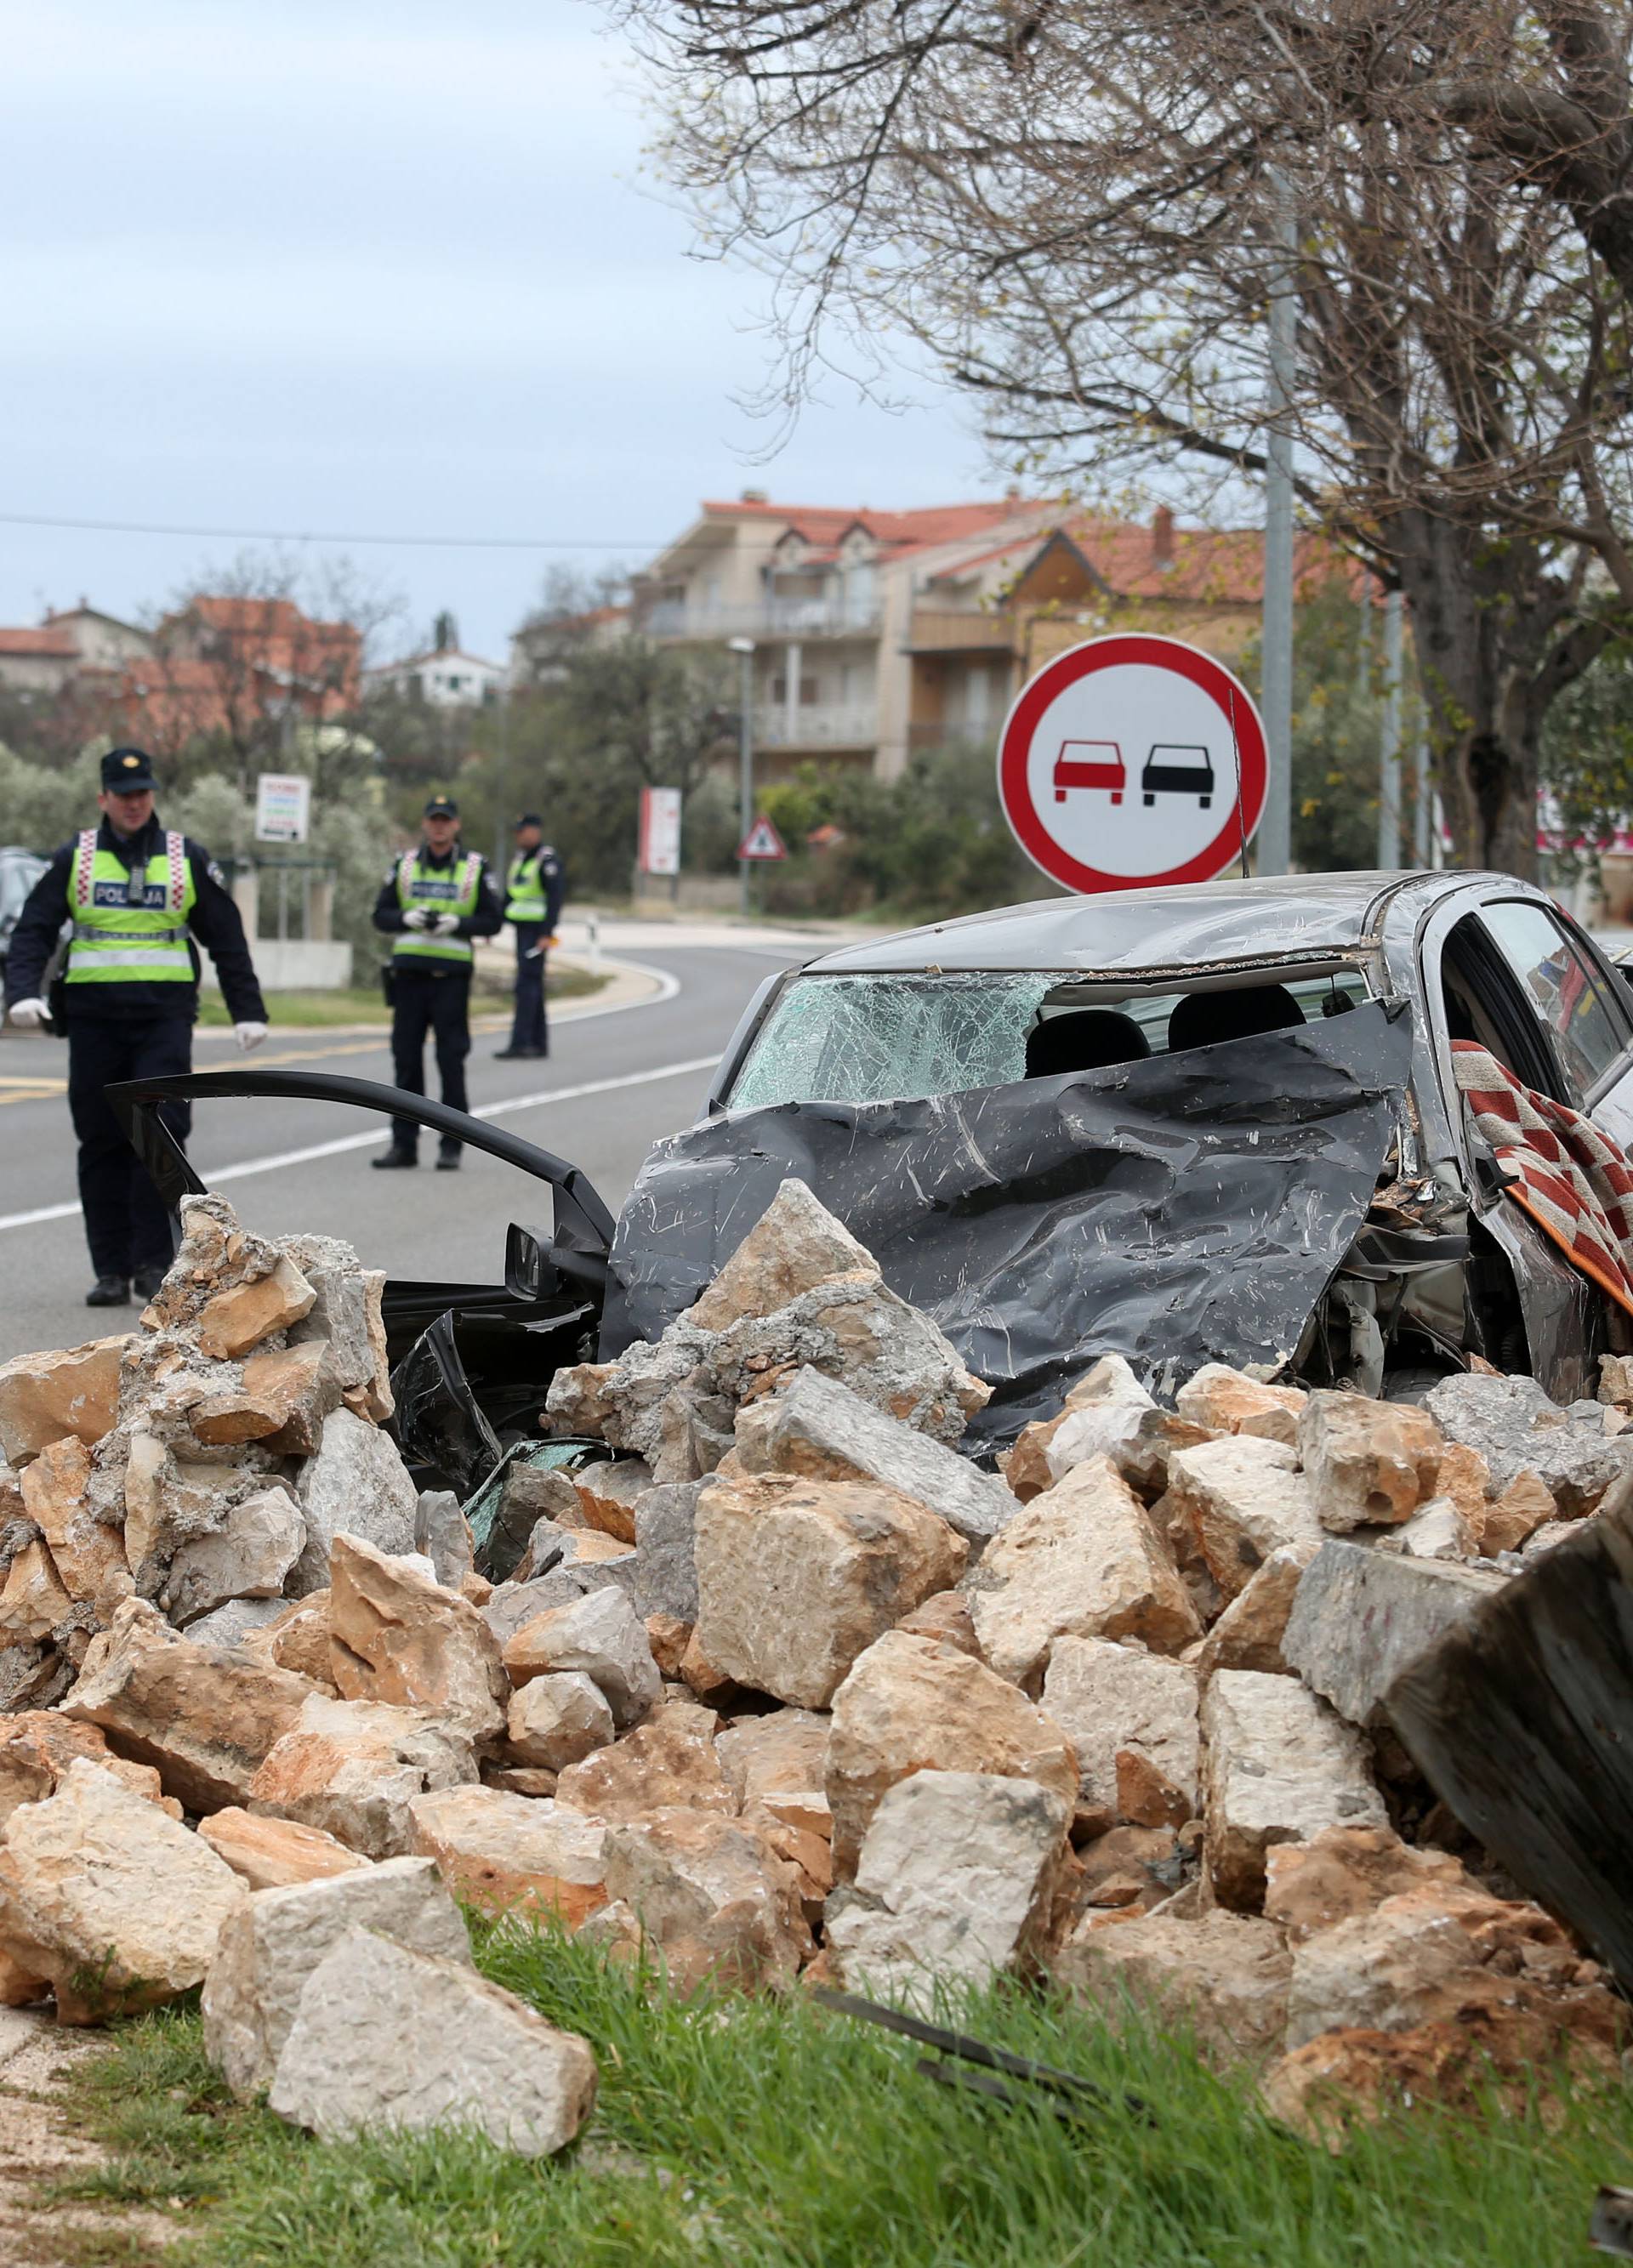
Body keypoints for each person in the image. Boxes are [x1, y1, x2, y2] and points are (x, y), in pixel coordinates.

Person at [2, 746, 267, 1308]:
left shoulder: (183, 856)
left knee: (161, 1139)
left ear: (153, 795)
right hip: (95, 1024)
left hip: (163, 1022)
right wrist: (21, 990)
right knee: (99, 1141)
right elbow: (34, 929)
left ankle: (154, 1264)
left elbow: (225, 933)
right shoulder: (77, 855)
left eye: (142, 792)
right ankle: (110, 1269)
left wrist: (248, 1007)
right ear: (104, 798)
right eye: (123, 795)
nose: (134, 802)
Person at [371, 793, 502, 1169]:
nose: (439, 826)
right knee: (406, 1064)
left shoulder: (475, 867)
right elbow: (380, 915)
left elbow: (493, 920)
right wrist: (405, 918)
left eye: (446, 820)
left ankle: (451, 1146)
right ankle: (404, 1145)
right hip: (409, 980)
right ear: (425, 824)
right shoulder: (405, 864)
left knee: (450, 1062)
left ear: (456, 825)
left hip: (450, 981)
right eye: (434, 820)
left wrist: (458, 924)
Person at [494, 813, 564, 1060]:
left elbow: (555, 899)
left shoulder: (546, 861)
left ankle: (522, 1042)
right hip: (522, 929)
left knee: (527, 987)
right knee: (532, 987)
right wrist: (494, 923)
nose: (519, 835)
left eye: (523, 830)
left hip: (536, 932)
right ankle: (537, 1043)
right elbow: (513, 896)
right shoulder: (522, 859)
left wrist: (547, 933)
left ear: (535, 831)